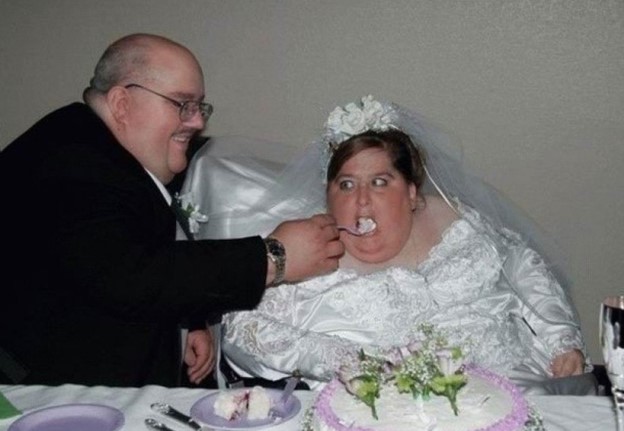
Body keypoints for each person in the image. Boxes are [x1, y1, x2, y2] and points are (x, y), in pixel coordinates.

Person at [184, 96, 593, 394]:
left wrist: (562, 339)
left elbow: (524, 265)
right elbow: (245, 330)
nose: (361, 201)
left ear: (411, 193)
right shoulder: (312, 247)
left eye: (380, 182)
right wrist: (343, 360)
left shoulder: (456, 221)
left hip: (515, 392)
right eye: (347, 185)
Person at [0, 33, 343, 387]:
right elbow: (130, 272)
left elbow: (123, 257)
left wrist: (188, 322)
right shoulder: (69, 162)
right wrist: (272, 257)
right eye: (182, 104)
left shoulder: (99, 148)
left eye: (199, 107)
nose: (196, 122)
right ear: (121, 103)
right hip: (38, 392)